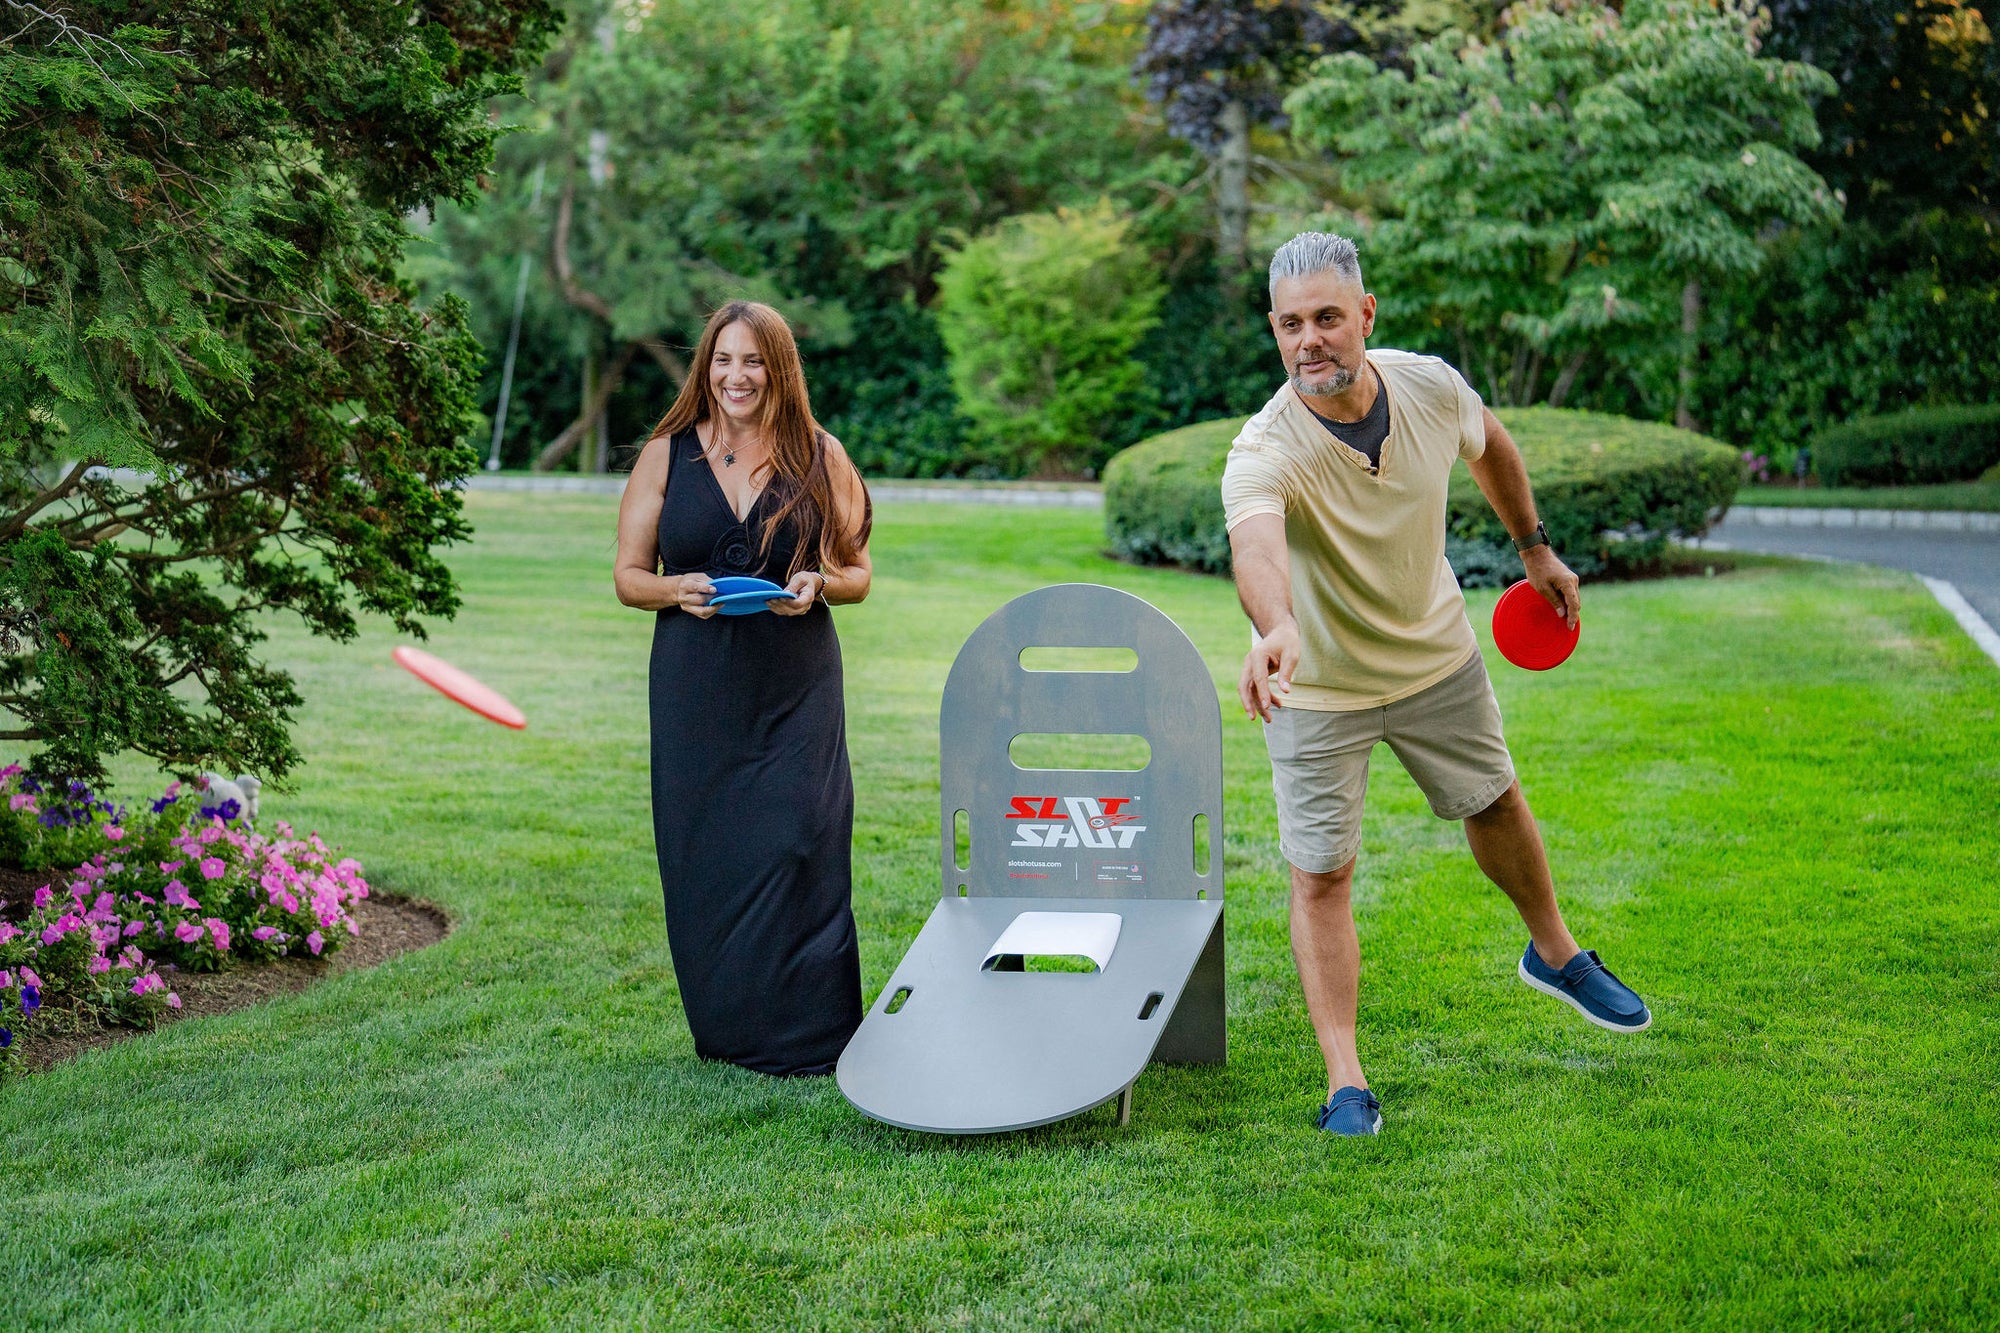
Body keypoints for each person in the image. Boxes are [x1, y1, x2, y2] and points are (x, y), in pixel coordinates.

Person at [1222, 234, 1651, 1138]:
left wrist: (1533, 547)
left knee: (1495, 802)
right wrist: (1280, 628)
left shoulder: (1429, 386)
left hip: (1435, 655)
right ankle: (1345, 1076)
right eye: (1292, 324)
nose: (1311, 341)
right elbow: (1256, 546)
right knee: (1323, 873)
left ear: (1365, 317)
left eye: (1329, 318)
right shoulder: (1264, 448)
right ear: (1274, 330)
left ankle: (1556, 952)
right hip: (1321, 686)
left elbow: (1492, 444)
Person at [614, 300, 873, 1077]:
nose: (737, 376)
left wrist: (817, 584)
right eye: (723, 360)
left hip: (794, 686)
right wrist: (676, 589)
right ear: (706, 368)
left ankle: (817, 1036)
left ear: (778, 369)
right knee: (708, 854)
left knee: (802, 840)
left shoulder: (821, 454)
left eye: (753, 361)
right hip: (697, 689)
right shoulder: (665, 454)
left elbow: (858, 573)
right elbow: (629, 577)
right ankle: (728, 1031)